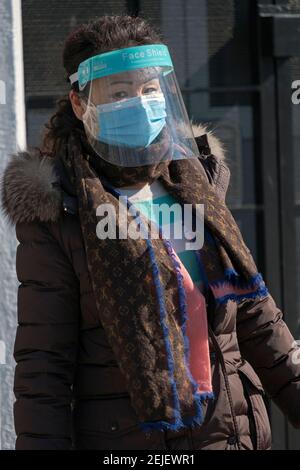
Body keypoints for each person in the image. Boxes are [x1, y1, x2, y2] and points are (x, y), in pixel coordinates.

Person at [1, 14, 300, 451]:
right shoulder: (62, 209)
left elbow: (254, 317)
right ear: (80, 104)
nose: (139, 104)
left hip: (235, 434)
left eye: (148, 89)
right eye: (119, 93)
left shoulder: (195, 183)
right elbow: (44, 369)